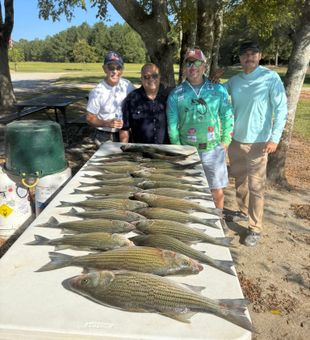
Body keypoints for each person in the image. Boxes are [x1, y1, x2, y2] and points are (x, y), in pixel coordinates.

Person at [224, 41, 288, 247]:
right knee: (240, 181)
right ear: (240, 58)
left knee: (256, 187)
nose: (248, 57)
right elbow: (217, 96)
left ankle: (255, 228)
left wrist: (274, 138)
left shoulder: (270, 78)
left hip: (259, 144)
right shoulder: (234, 81)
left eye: (253, 54)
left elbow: (281, 110)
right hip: (236, 141)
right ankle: (243, 211)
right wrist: (213, 80)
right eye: (245, 54)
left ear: (259, 56)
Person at [167, 47, 234, 210]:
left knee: (216, 191)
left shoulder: (218, 90)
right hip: (187, 151)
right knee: (189, 190)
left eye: (197, 63)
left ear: (204, 66)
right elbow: (172, 125)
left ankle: (218, 220)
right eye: (189, 63)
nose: (193, 67)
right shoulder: (176, 94)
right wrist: (178, 148)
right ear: (184, 68)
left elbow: (227, 116)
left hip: (213, 150)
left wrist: (226, 141)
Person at [86, 51, 135, 143]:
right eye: (111, 67)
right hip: (105, 135)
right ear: (104, 69)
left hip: (125, 133)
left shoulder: (127, 85)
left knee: (126, 157)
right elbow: (89, 118)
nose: (115, 71)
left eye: (118, 68)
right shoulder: (97, 91)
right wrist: (107, 123)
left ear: (122, 70)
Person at [119, 63, 170, 144]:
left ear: (159, 77)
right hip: (140, 151)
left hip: (167, 150)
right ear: (141, 79)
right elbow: (124, 129)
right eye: (146, 77)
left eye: (155, 76)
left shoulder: (170, 97)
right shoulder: (132, 99)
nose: (151, 79)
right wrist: (123, 148)